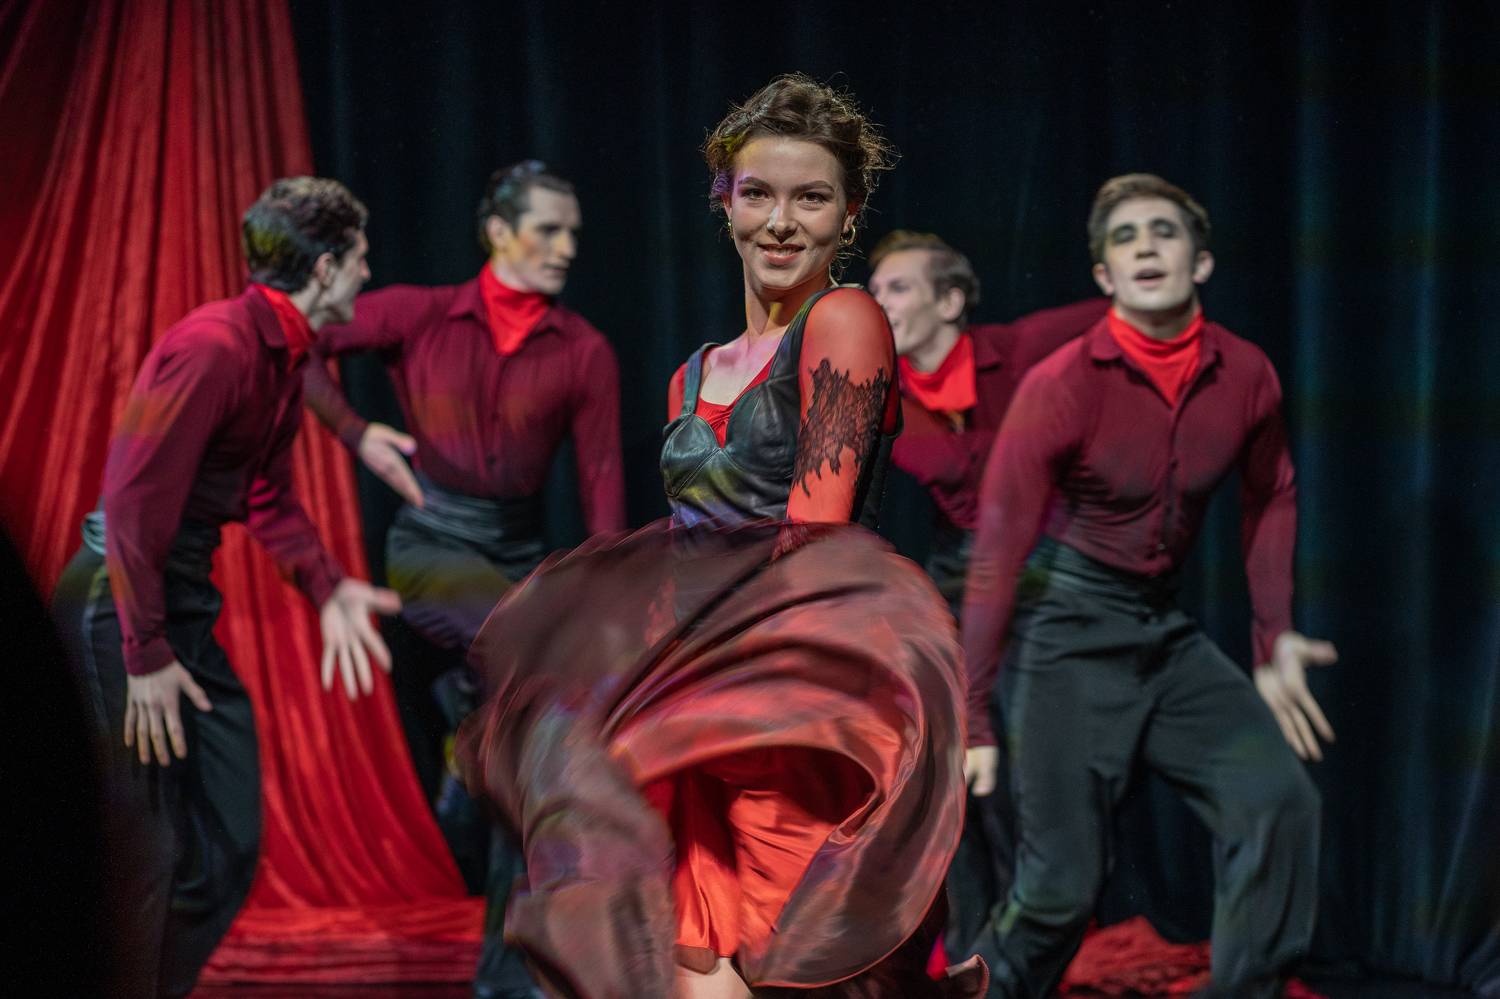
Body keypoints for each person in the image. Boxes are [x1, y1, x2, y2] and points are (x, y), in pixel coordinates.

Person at [458, 74, 983, 999]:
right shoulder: (691, 374)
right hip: (701, 706)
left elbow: (815, 539)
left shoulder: (846, 319)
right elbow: (681, 548)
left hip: (794, 699)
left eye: (811, 197)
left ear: (848, 214)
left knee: (793, 970)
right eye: (758, 194)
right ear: (724, 202)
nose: (781, 221)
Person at [961, 173, 1337, 998]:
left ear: (1200, 261)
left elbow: (1272, 493)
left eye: (1163, 231)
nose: (1145, 247)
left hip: (1162, 635)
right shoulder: (1062, 382)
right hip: (1066, 635)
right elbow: (996, 549)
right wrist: (972, 710)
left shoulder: (1245, 372)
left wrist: (1273, 639)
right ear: (1104, 276)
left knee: (1278, 803)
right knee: (1059, 890)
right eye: (1124, 238)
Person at [53, 177, 400, 998]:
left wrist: (329, 587)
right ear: (324, 269)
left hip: (177, 602)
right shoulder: (214, 345)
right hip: (119, 600)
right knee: (147, 843)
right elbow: (131, 500)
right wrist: (144, 652)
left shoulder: (284, 356)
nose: (367, 272)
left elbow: (266, 494)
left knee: (228, 837)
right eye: (359, 258)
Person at [301, 160, 624, 997]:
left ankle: (505, 970)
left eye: (574, 232)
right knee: (527, 701)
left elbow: (601, 490)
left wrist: (607, 604)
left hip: (518, 555)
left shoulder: (583, 350)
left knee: (528, 754)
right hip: (431, 543)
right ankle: (472, 764)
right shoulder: (422, 313)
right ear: (498, 232)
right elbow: (296, 340)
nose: (566, 247)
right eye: (548, 229)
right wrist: (352, 429)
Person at [868, 232, 1106, 956]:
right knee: (952, 766)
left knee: (1030, 763)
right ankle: (975, 949)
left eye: (898, 288)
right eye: (874, 291)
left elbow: (1122, 308)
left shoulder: (1020, 348)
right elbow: (959, 478)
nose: (879, 303)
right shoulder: (881, 390)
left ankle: (1030, 943)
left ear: (950, 301)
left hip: (1042, 570)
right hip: (959, 571)